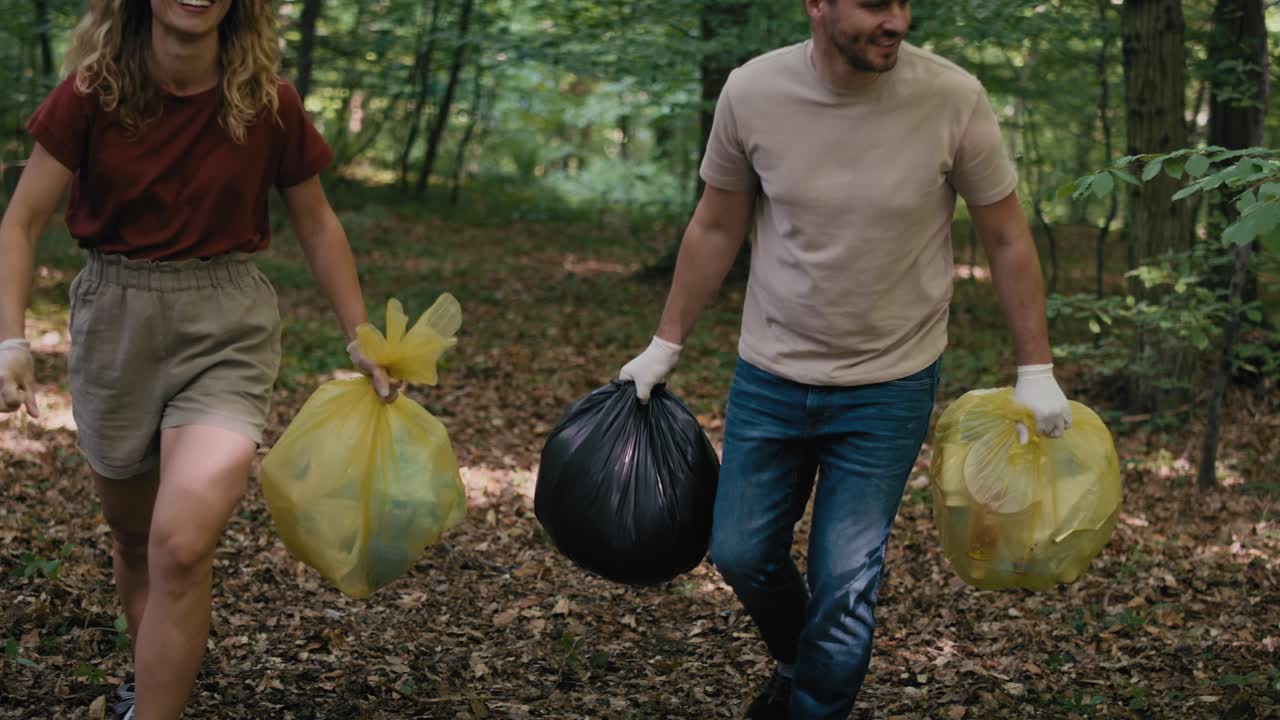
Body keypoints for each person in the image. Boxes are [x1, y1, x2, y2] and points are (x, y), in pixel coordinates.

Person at [618, 1, 1072, 718]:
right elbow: (715, 222)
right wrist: (664, 343)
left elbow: (1009, 239)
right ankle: (805, 665)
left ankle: (814, 703)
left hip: (888, 388)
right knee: (740, 552)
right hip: (770, 374)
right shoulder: (752, 91)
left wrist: (1036, 369)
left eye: (903, 1)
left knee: (845, 582)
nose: (896, 20)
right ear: (817, 4)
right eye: (873, 3)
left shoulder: (953, 98)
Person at [0, 1, 396, 718]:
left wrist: (360, 336)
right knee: (132, 536)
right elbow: (20, 222)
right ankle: (147, 673)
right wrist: (11, 342)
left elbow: (316, 219)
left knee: (181, 547)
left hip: (226, 324)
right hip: (116, 319)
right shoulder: (92, 92)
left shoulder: (264, 98)